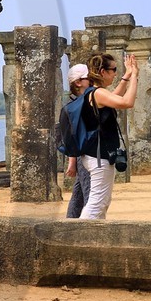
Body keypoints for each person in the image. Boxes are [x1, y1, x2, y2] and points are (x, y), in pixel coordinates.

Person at [75, 50, 139, 219]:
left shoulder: (93, 92)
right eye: (113, 70)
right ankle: (78, 238)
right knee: (97, 203)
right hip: (99, 157)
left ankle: (92, 238)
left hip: (95, 155)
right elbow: (127, 102)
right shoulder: (97, 93)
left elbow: (114, 98)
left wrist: (126, 76)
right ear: (103, 72)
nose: (115, 74)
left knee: (101, 202)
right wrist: (134, 78)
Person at [60, 63, 92, 218]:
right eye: (88, 78)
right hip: (84, 155)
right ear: (78, 82)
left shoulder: (83, 102)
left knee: (79, 193)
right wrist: (72, 162)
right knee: (89, 194)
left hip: (83, 154)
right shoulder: (78, 106)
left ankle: (70, 221)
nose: (92, 80)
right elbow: (73, 136)